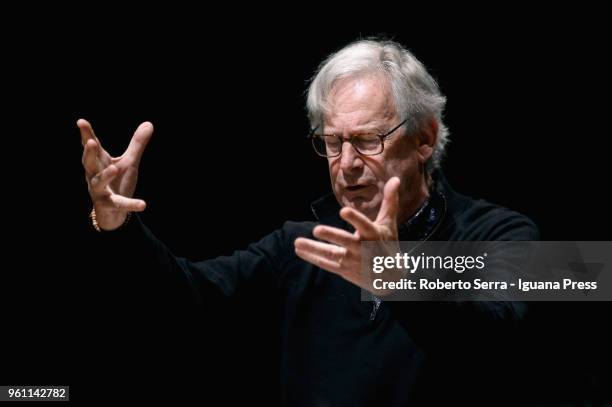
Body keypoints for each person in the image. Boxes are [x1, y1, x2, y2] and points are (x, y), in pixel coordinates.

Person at [79, 39, 539, 405]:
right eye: (333, 142)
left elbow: (502, 341)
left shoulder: (503, 234)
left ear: (424, 138)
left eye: (367, 140)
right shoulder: (302, 246)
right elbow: (186, 302)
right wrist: (118, 226)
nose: (347, 163)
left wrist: (397, 279)